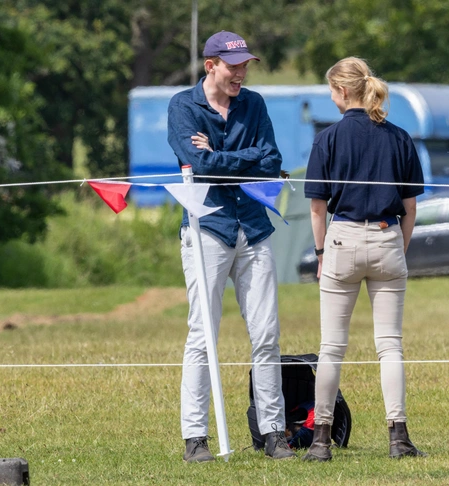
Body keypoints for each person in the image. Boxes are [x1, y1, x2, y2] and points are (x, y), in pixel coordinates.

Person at [167, 30, 295, 463]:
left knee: (266, 334)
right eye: (233, 65)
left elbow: (273, 161)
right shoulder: (183, 107)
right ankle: (195, 437)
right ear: (210, 66)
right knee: (203, 335)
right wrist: (245, 158)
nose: (241, 72)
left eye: (244, 65)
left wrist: (222, 159)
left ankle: (274, 432)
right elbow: (196, 166)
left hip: (254, 228)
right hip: (207, 227)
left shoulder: (254, 104)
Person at [301, 57, 427, 461]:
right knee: (390, 346)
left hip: (343, 239)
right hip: (388, 236)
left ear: (340, 92)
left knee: (331, 347)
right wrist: (397, 247)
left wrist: (321, 254)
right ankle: (399, 436)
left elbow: (318, 209)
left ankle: (320, 440)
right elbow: (410, 207)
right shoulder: (399, 137)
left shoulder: (328, 139)